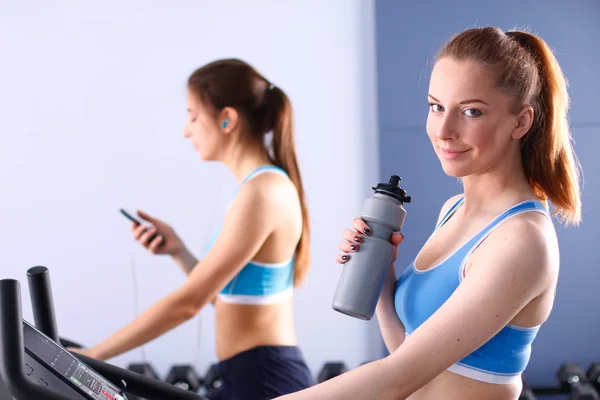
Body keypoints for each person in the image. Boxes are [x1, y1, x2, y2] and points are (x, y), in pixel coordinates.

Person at [276, 26, 582, 400]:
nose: (444, 130)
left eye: (471, 111)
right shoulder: (453, 210)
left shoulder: (522, 239)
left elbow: (396, 378)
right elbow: (408, 356)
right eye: (436, 106)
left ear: (521, 121)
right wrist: (382, 270)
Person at [70, 59, 315, 399]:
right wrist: (179, 252)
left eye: (193, 115)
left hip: (266, 380)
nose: (186, 130)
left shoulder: (263, 191)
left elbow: (189, 303)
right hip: (247, 376)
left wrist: (91, 357)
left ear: (227, 118)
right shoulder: (256, 188)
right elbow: (230, 299)